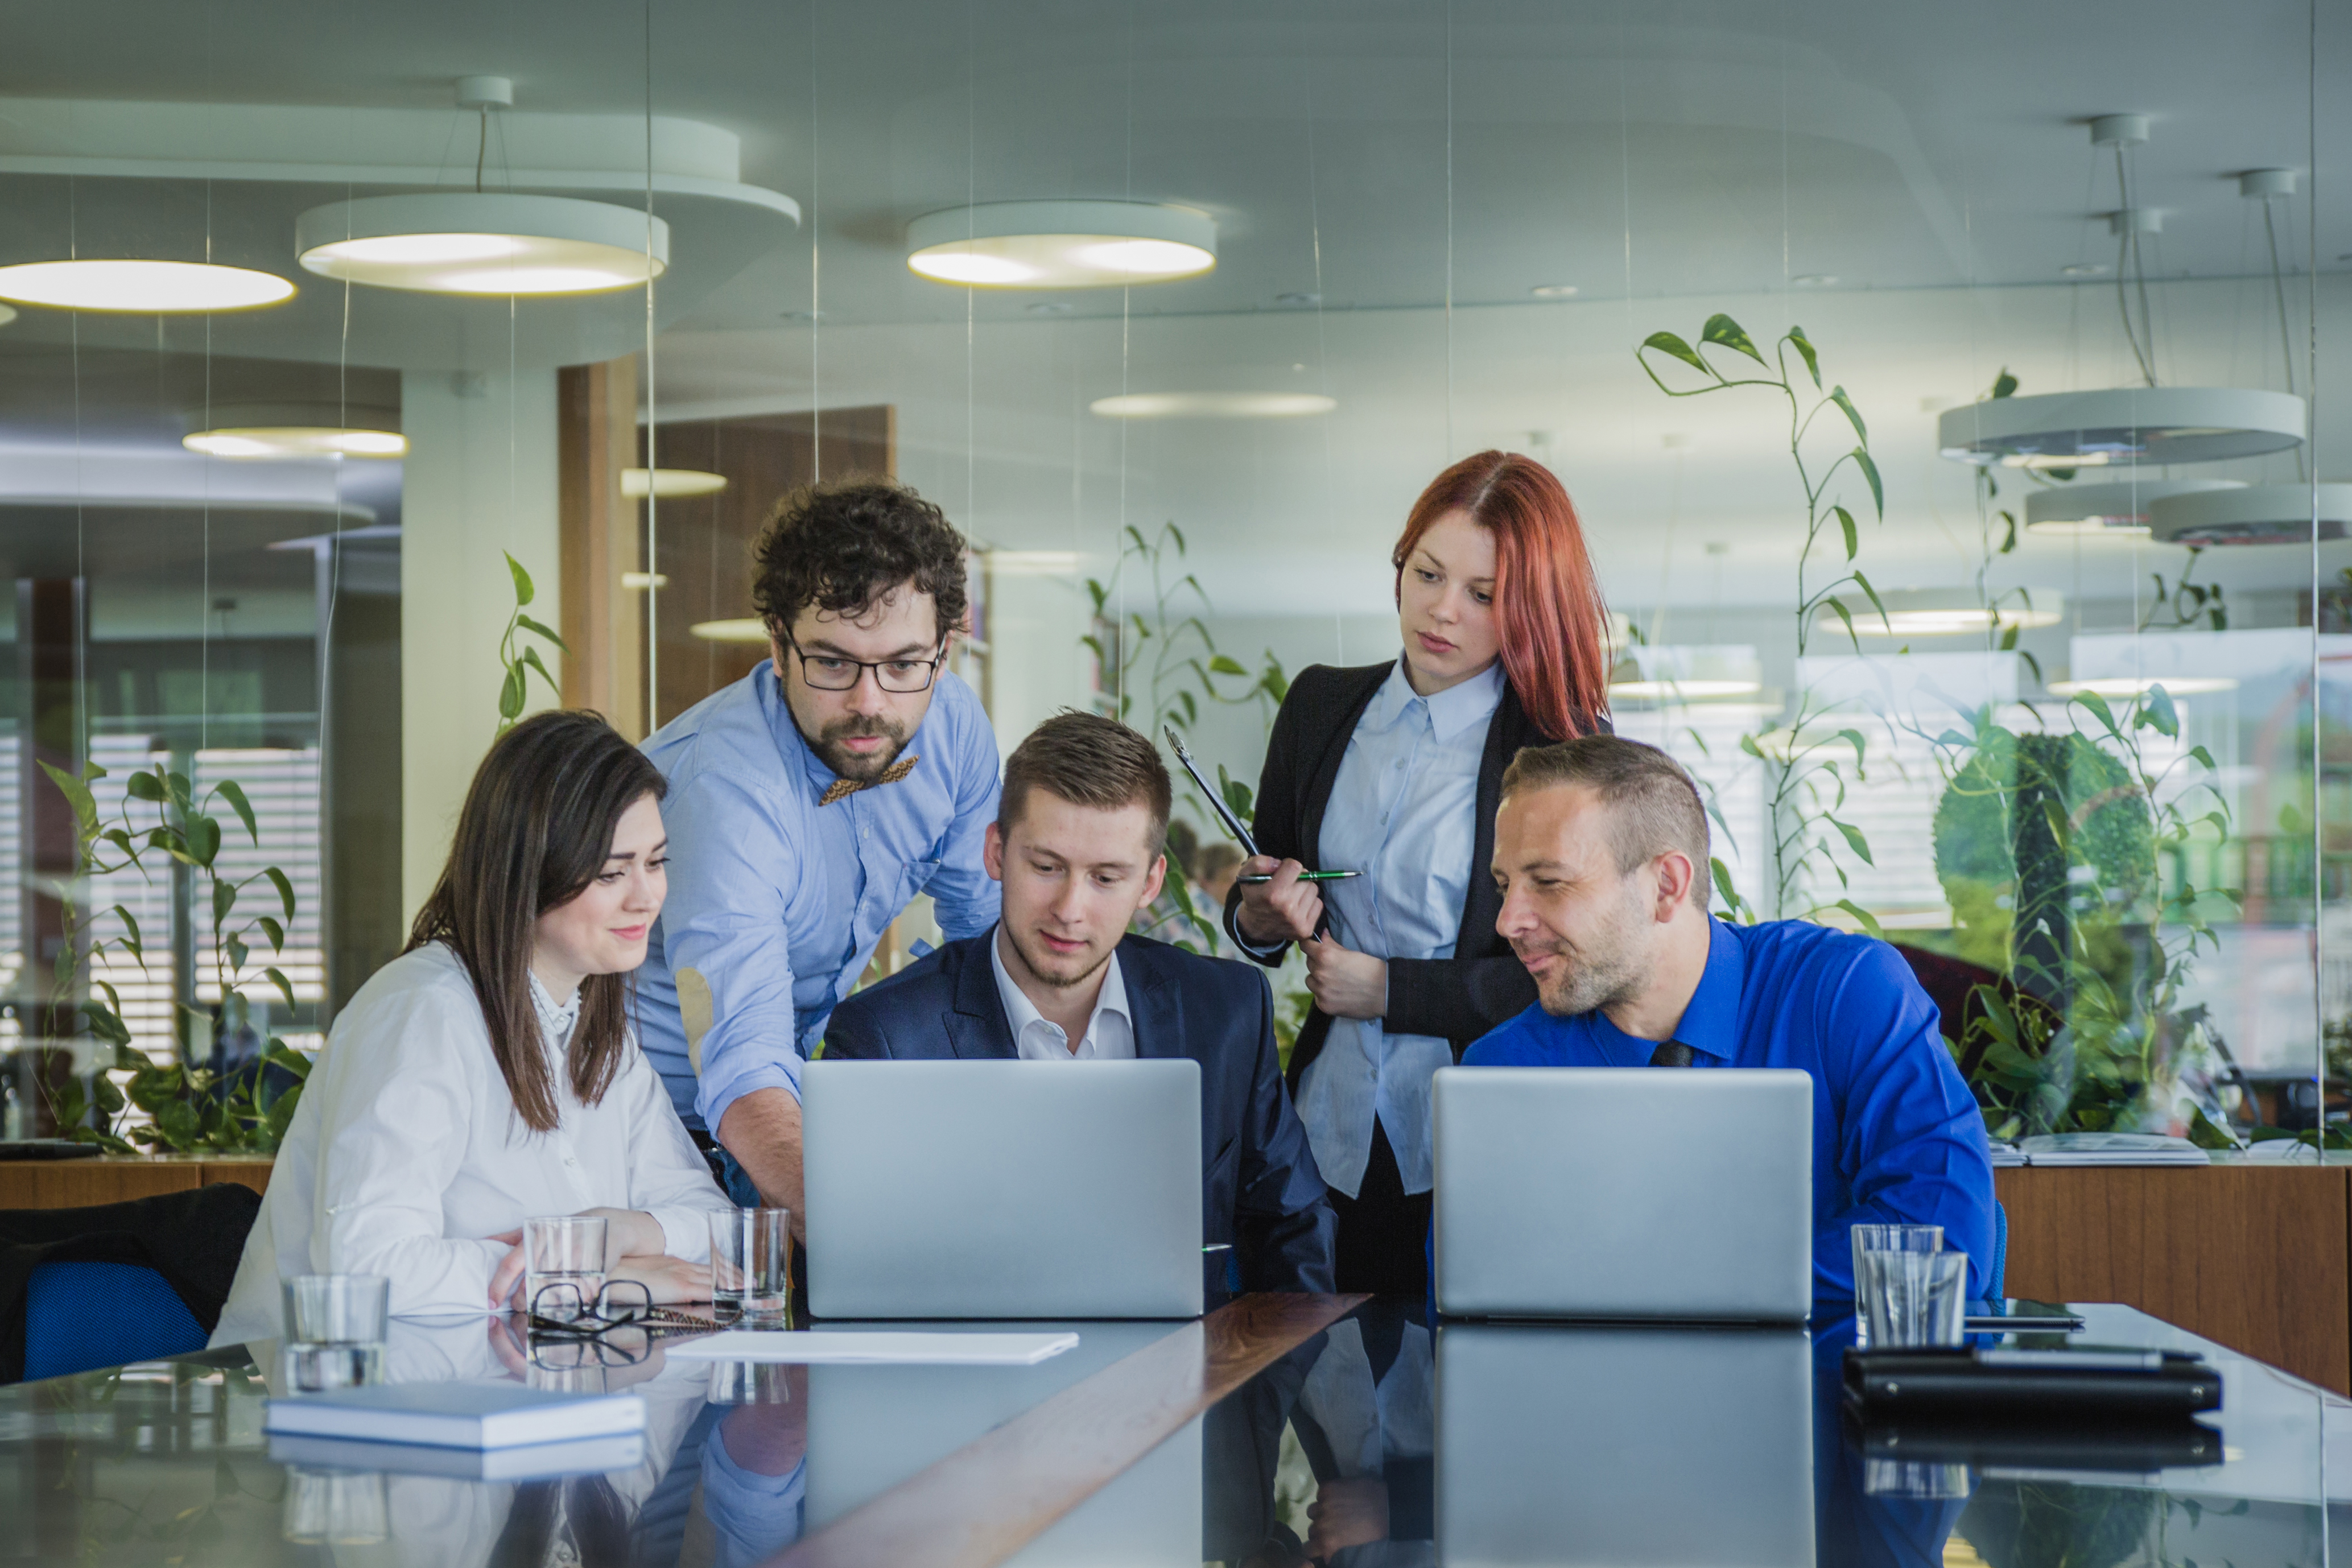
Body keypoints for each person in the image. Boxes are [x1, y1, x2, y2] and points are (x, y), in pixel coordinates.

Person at [1224, 449, 1614, 1294]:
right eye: (1427, 574)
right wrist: (1257, 917)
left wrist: (1391, 989)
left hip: (1483, 1136)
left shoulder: (1560, 757)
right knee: (1319, 1398)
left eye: (1483, 596)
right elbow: (1267, 887)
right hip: (1323, 1131)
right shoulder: (1321, 707)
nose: (1441, 612)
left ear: (1530, 610)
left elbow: (1581, 976)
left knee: (1465, 1403)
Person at [212, 711, 733, 1342]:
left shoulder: (600, 1031)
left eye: (656, 861)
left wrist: (620, 1232)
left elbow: (718, 1228)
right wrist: (594, 1279)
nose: (647, 895)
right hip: (339, 1404)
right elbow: (366, 1267)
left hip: (510, 1394)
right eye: (612, 872)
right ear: (530, 870)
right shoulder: (423, 1012)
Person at [1463, 736, 1997, 1298]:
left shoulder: (1845, 993)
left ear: (1666, 885)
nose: (1508, 920)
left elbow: (1946, 1241)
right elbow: (1473, 1299)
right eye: (1504, 886)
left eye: (1548, 881)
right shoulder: (1502, 1073)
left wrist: (1678, 1277)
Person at [825, 712, 1335, 1293]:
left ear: (1150, 881)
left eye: (1107, 877)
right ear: (995, 852)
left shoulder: (1225, 1010)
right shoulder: (885, 1038)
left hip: (1192, 1372)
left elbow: (1293, 1227)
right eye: (1046, 867)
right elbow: (863, 1279)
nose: (1070, 908)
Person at [634, 479, 1002, 1220]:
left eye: (904, 665)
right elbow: (738, 1056)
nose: (870, 703)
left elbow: (984, 945)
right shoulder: (726, 793)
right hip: (660, 1131)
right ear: (777, 642)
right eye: (833, 663)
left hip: (799, 1100)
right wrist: (871, 1242)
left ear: (945, 649)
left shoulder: (952, 725)